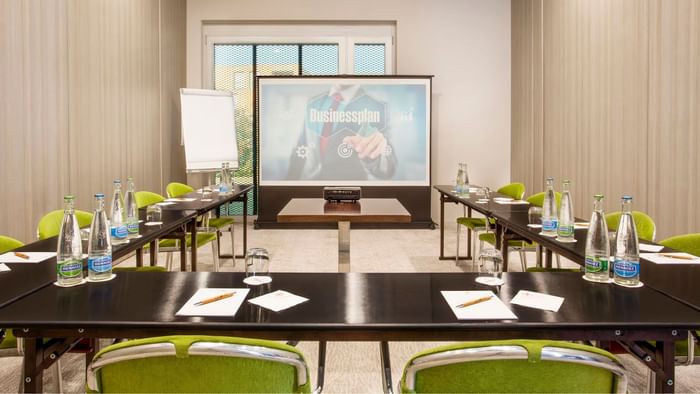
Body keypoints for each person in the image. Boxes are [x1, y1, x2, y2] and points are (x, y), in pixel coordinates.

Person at [286, 84, 397, 181]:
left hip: (347, 194)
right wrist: (288, 187)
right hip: (309, 189)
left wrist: (374, 154)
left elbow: (388, 166)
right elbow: (301, 148)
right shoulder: (314, 102)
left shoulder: (376, 106)